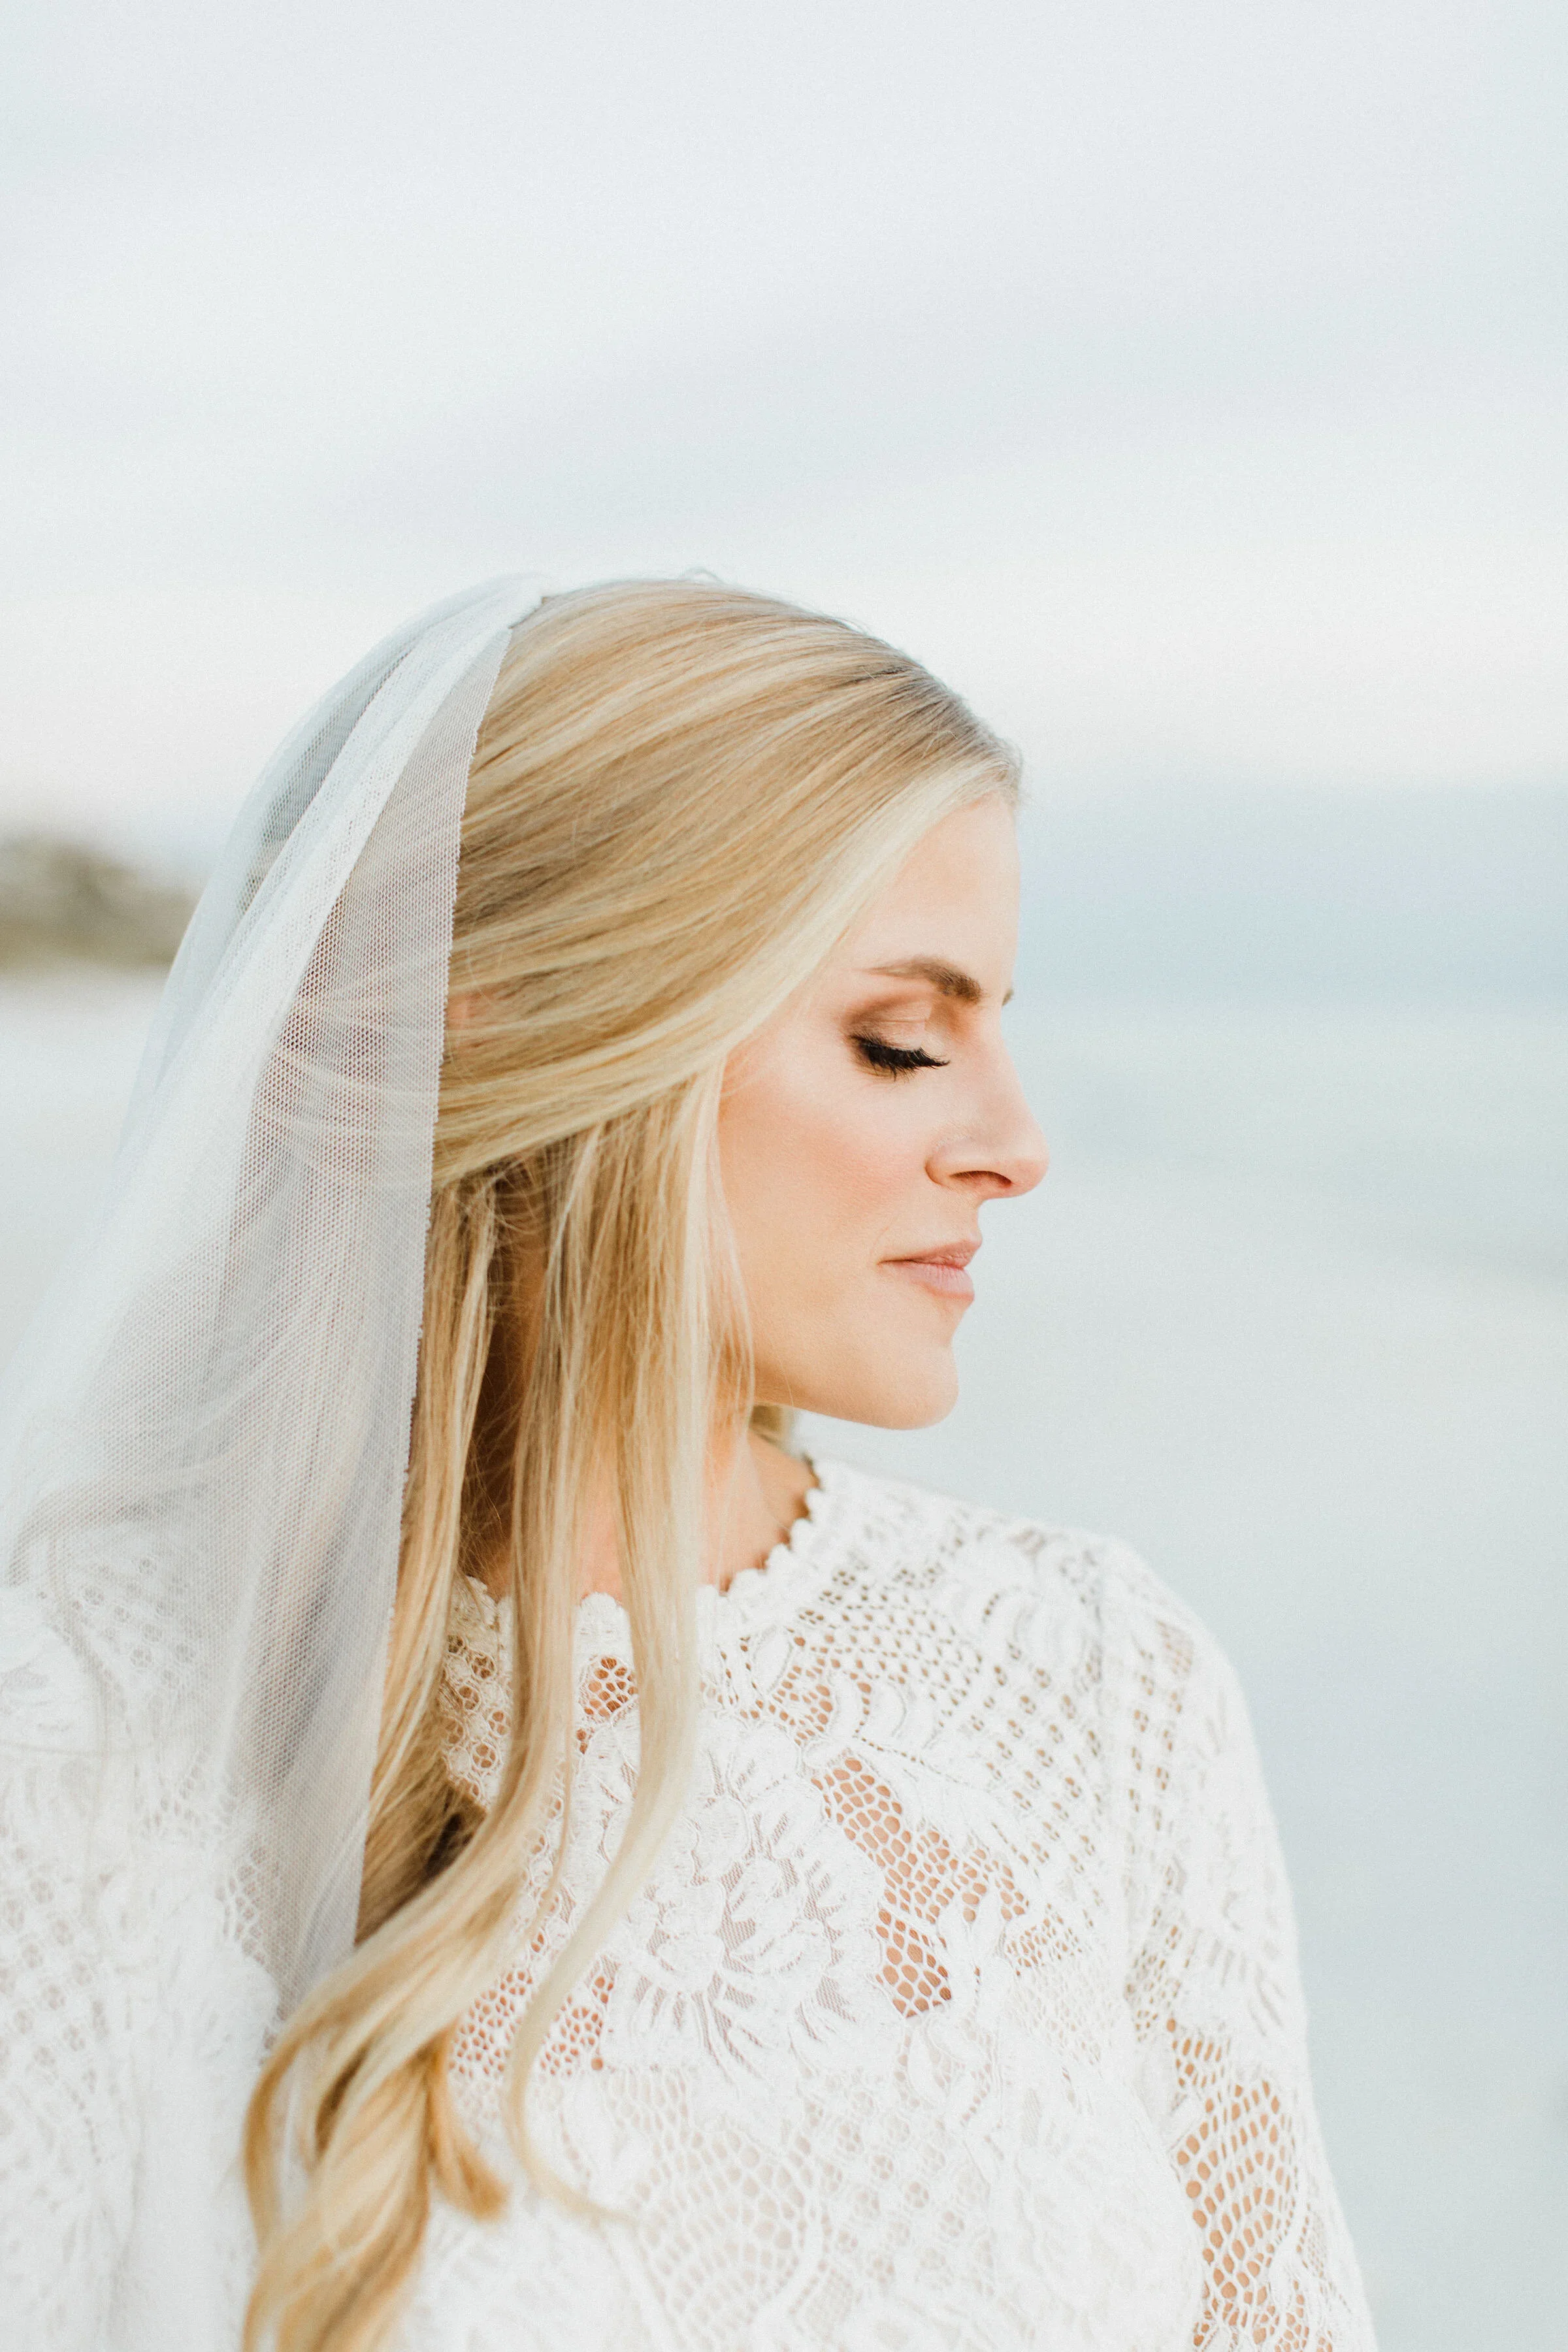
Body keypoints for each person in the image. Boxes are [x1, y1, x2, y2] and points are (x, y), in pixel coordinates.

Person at [0, 578, 1376, 2352]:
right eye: (901, 1040)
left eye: (996, 1026)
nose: (1017, 1143)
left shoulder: (1096, 1683)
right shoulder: (79, 1716)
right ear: (527, 1027)